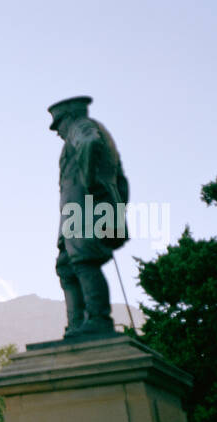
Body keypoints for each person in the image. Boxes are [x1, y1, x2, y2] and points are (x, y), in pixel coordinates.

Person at [50, 96, 129, 337]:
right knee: (66, 265)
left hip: (83, 208)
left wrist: (91, 183)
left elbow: (89, 143)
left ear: (71, 117)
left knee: (84, 261)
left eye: (59, 124)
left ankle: (97, 318)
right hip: (80, 210)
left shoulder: (81, 127)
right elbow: (121, 181)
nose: (58, 132)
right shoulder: (96, 132)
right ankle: (77, 323)